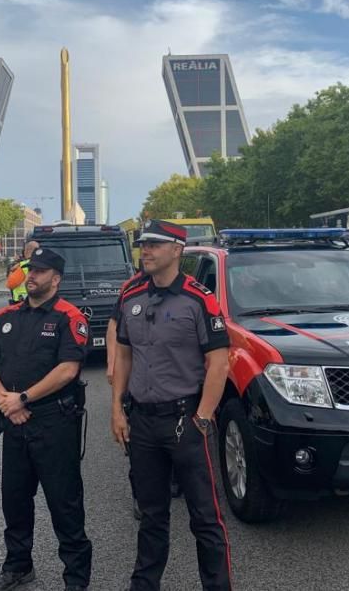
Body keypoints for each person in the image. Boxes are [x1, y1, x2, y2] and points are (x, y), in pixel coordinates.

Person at [111, 219, 233, 591]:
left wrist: (203, 417)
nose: (145, 250)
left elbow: (220, 362)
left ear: (177, 250)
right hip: (142, 423)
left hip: (185, 421)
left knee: (205, 519)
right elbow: (125, 356)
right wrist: (117, 408)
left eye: (155, 245)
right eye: (143, 244)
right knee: (151, 517)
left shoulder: (199, 299)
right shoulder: (130, 296)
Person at [0, 247, 92, 591]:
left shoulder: (69, 318)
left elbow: (68, 369)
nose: (31, 276)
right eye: (30, 270)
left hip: (54, 422)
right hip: (14, 421)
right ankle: (18, 566)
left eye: (39, 272)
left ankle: (76, 577)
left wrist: (24, 398)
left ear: (55, 279)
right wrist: (6, 401)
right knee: (14, 499)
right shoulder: (6, 316)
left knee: (64, 502)